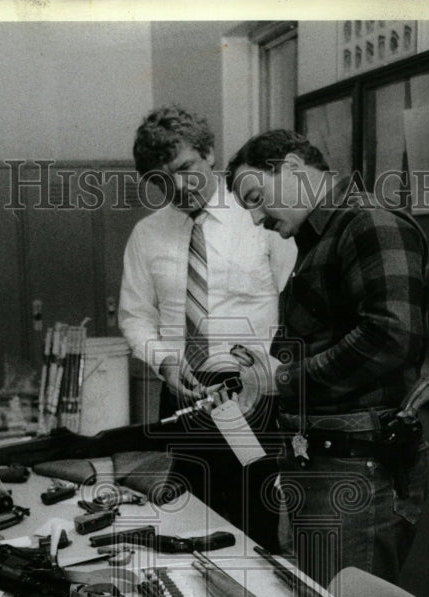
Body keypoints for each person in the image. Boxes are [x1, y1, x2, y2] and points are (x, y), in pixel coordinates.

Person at [225, 129, 429, 586]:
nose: (257, 218)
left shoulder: (369, 222)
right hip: (323, 464)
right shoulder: (320, 239)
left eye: (257, 198)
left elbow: (392, 336)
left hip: (356, 470)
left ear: (295, 168)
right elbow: (324, 337)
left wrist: (283, 380)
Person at [118, 105, 296, 549]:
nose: (178, 187)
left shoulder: (261, 219)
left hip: (252, 397)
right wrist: (165, 363)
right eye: (162, 179)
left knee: (253, 526)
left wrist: (268, 374)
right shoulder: (147, 235)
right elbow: (135, 317)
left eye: (186, 168)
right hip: (182, 390)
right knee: (184, 523)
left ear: (210, 154)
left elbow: (293, 309)